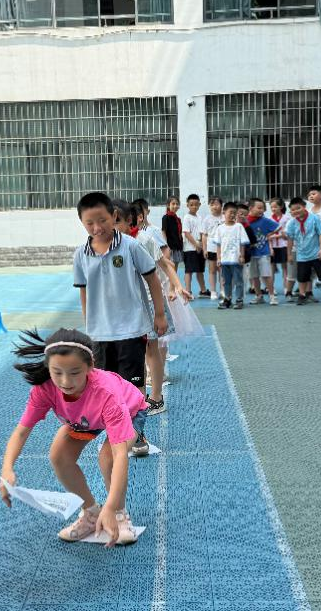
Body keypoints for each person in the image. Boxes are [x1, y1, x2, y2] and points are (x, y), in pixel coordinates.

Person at [0, 329, 146, 546]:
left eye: (75, 372)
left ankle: (118, 514)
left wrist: (111, 506)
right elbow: (21, 431)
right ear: (48, 367)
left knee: (108, 458)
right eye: (57, 372)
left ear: (90, 366)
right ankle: (91, 513)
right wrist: (7, 468)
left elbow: (120, 455)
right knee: (59, 455)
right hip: (86, 418)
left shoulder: (106, 393)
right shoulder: (44, 389)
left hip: (131, 410)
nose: (65, 381)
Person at [73, 192, 168, 457]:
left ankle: (137, 434)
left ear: (114, 216)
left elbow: (153, 280)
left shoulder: (130, 246)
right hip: (100, 333)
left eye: (102, 220)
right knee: (105, 387)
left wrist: (159, 315)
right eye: (90, 223)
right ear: (82, 222)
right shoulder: (80, 254)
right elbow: (83, 292)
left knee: (134, 385)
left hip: (132, 328)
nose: (97, 227)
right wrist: (88, 326)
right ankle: (116, 432)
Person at [129, 200, 190, 414]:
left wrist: (177, 286)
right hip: (128, 305)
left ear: (135, 219)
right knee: (133, 351)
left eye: (119, 220)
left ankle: (155, 397)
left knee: (151, 348)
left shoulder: (145, 238)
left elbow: (165, 264)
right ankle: (136, 396)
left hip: (148, 301)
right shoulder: (113, 242)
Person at [284, 197, 321, 306]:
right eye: (293, 210)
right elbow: (289, 239)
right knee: (292, 274)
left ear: (304, 207)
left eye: (298, 208)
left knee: (308, 274)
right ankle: (288, 292)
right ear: (290, 211)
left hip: (309, 251)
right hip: (295, 251)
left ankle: (308, 293)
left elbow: (320, 233)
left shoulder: (312, 218)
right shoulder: (291, 222)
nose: (296, 211)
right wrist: (289, 254)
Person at [209, 201, 250, 309]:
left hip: (236, 260)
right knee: (225, 281)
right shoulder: (220, 228)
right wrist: (218, 258)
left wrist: (242, 256)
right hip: (225, 260)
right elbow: (218, 245)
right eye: (230, 212)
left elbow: (242, 243)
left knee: (238, 280)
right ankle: (227, 299)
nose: (232, 215)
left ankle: (239, 299)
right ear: (224, 212)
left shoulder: (239, 227)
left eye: (234, 213)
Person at [245, 197, 280, 305]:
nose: (262, 210)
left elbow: (278, 227)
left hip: (263, 253)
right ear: (251, 208)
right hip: (251, 254)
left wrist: (269, 235)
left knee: (266, 275)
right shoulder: (245, 221)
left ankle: (272, 296)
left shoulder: (265, 220)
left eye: (263, 208)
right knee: (254, 276)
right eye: (259, 208)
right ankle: (258, 296)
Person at [179, 193, 208, 297]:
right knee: (189, 271)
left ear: (199, 205)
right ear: (187, 205)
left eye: (196, 204)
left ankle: (203, 291)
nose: (194, 207)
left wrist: (201, 245)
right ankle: (188, 292)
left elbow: (201, 232)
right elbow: (187, 233)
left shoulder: (199, 217)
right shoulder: (187, 218)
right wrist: (196, 245)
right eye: (191, 205)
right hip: (189, 249)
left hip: (199, 248)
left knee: (200, 270)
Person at [201, 196, 225, 300]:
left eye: (216, 204)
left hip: (223, 249)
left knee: (222, 270)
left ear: (221, 205)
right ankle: (213, 291)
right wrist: (205, 249)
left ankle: (223, 290)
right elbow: (204, 235)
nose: (214, 206)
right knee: (212, 270)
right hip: (211, 248)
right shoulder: (207, 219)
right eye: (212, 204)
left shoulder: (225, 217)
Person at [268, 197, 292, 299]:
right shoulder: (269, 219)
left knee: (285, 267)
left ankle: (286, 288)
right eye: (271, 207)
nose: (273, 209)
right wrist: (270, 248)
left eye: (275, 207)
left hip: (284, 245)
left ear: (281, 206)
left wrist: (275, 236)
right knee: (271, 269)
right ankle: (271, 288)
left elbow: (286, 234)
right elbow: (268, 235)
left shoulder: (287, 218)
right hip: (273, 246)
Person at [161, 196, 184, 268]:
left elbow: (179, 234)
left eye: (177, 204)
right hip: (170, 247)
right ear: (168, 205)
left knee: (175, 268)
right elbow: (163, 232)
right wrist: (167, 246)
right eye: (173, 204)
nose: (175, 206)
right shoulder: (165, 217)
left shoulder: (178, 219)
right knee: (170, 269)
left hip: (177, 247)